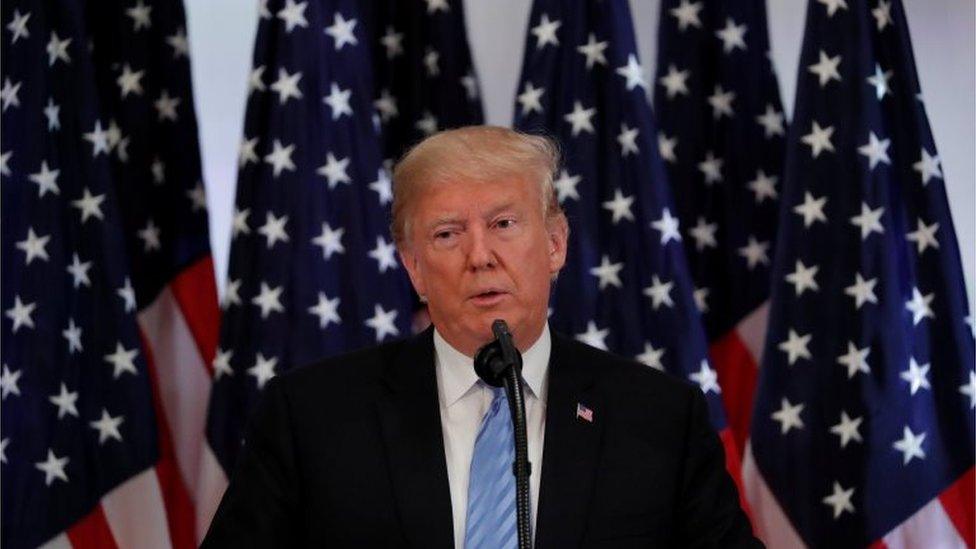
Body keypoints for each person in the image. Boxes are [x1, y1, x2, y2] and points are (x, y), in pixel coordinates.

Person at [202, 126, 761, 548]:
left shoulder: (660, 418)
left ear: (556, 243)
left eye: (504, 224)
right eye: (448, 234)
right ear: (415, 268)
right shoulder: (312, 417)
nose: (479, 256)